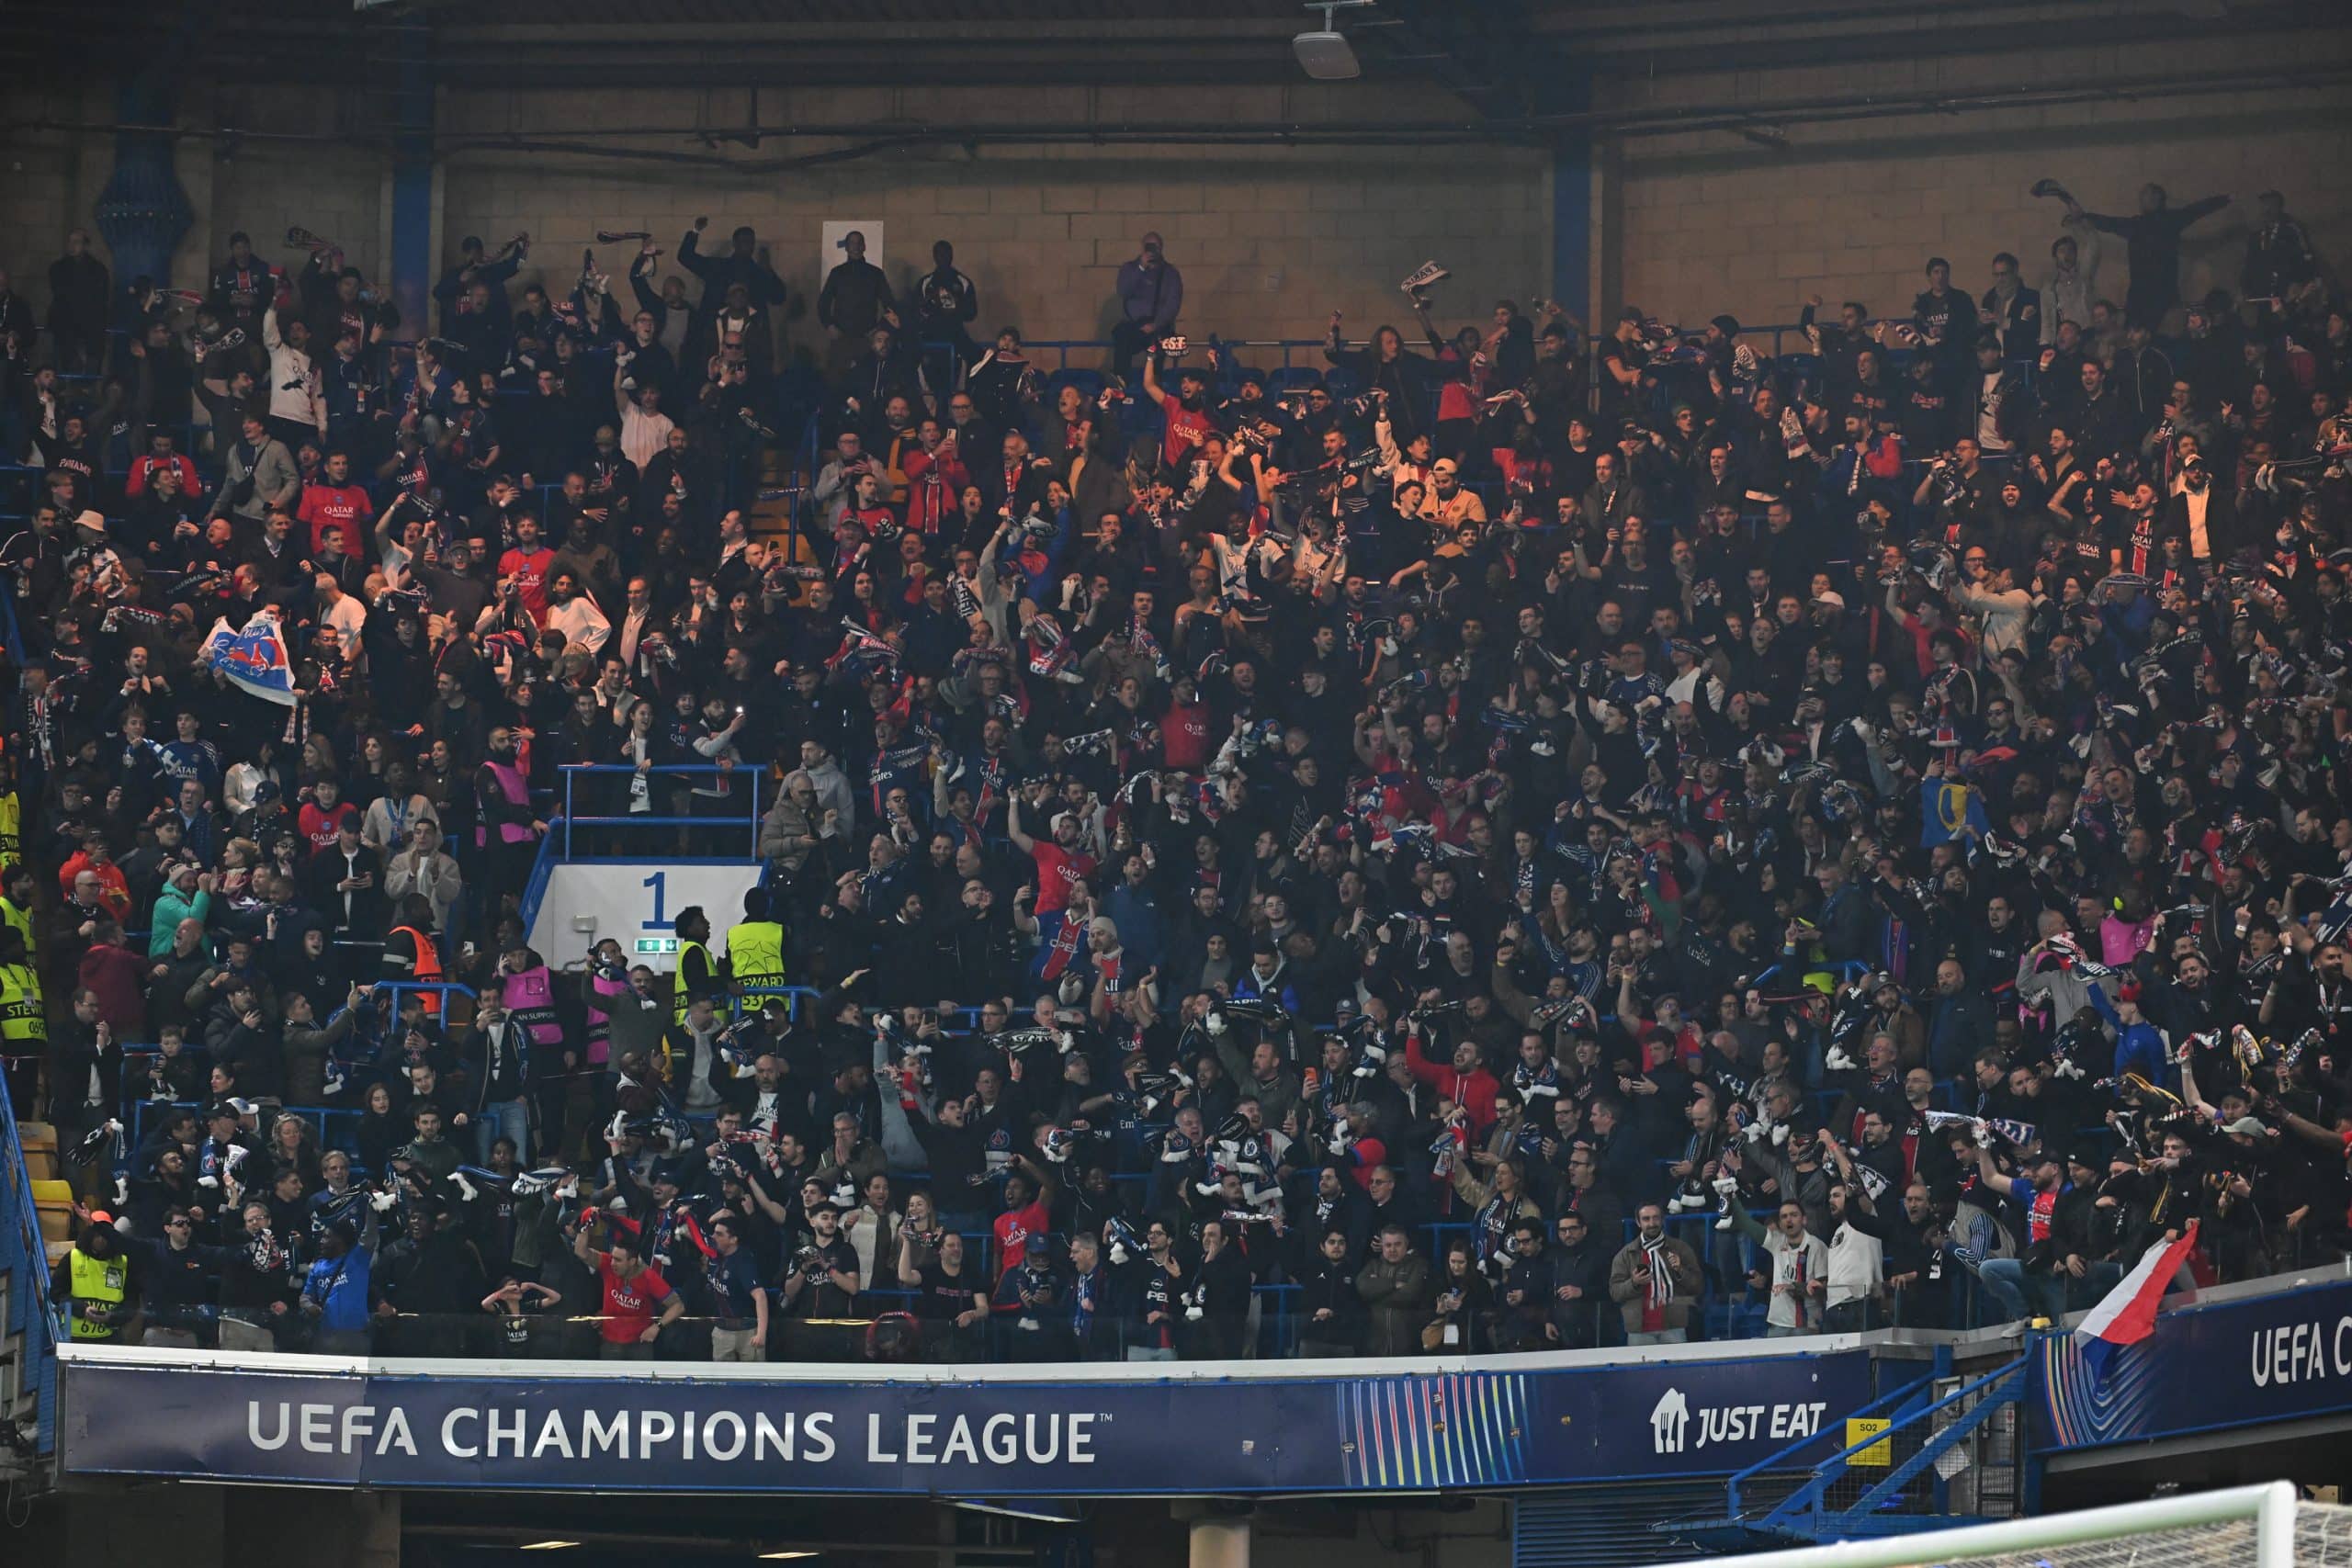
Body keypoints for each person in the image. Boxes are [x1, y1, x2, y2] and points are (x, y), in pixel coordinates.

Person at [573, 1212, 683, 1360]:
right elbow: (580, 1251)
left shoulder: (649, 1277)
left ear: (632, 1261)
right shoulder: (607, 1264)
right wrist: (584, 1225)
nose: (612, 1263)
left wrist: (657, 1327)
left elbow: (678, 1306)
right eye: (612, 1258)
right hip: (609, 1342)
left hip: (639, 1344)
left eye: (618, 1260)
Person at [1610, 1203, 1702, 1345]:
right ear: (1638, 1222)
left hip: (1674, 1327)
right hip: (1638, 1331)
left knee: (1677, 1367)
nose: (1652, 1223)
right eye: (1646, 1219)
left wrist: (1680, 1271)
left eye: (1656, 1218)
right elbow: (1615, 1293)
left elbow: (1698, 1287)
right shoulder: (1625, 1255)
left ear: (1663, 1220)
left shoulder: (1681, 1249)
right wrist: (1634, 1283)